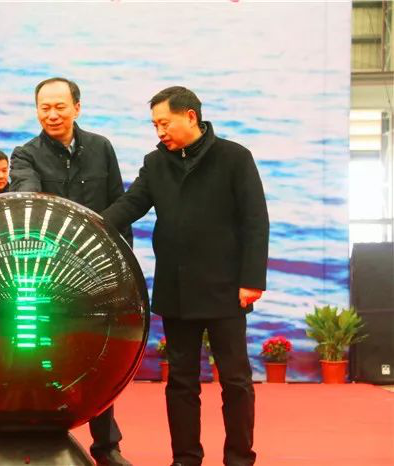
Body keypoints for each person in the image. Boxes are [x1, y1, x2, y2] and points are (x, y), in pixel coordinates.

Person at [102, 86, 269, 466]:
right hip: (176, 288)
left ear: (190, 116)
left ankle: (240, 457)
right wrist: (92, 224)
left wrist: (252, 280)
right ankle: (185, 458)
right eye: (155, 125)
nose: (159, 131)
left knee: (236, 381)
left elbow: (255, 221)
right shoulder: (155, 162)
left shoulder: (234, 157)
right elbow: (130, 205)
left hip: (227, 288)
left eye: (164, 123)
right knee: (181, 381)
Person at [10, 77, 132, 466]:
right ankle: (41, 440)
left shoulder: (101, 148)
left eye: (60, 106)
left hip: (96, 273)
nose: (52, 114)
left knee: (98, 358)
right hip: (48, 275)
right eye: (44, 107)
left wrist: (123, 266)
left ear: (77, 108)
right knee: (42, 358)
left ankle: (106, 446)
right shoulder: (24, 155)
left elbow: (119, 205)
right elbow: (29, 201)